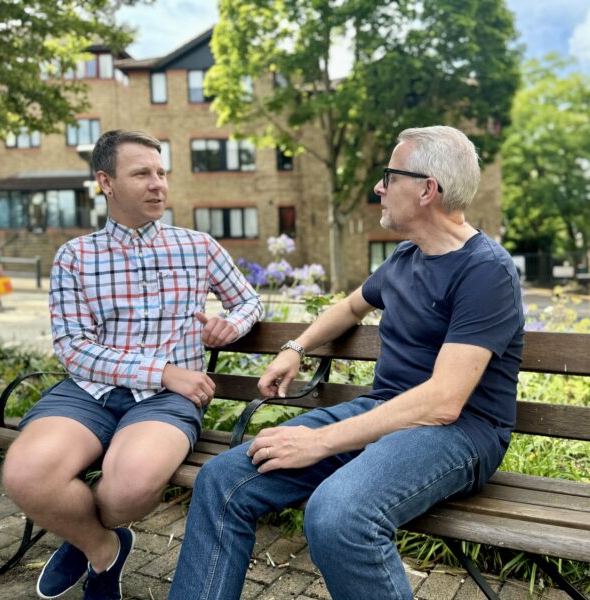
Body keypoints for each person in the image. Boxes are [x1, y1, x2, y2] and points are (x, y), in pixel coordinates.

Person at [168, 125, 525, 600]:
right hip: (384, 411)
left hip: (459, 433)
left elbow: (444, 402)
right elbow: (351, 306)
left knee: (338, 514)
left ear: (426, 190)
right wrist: (296, 348)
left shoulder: (486, 271)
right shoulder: (406, 257)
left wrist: (319, 441)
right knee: (223, 481)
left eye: (389, 175)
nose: (379, 187)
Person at [1, 129, 263, 600]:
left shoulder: (197, 247)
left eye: (161, 173)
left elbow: (249, 303)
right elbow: (73, 348)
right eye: (142, 173)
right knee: (24, 473)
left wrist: (230, 324)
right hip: (90, 392)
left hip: (168, 402)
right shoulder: (75, 257)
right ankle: (103, 549)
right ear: (106, 182)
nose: (158, 183)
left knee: (131, 486)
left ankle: (81, 537)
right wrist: (161, 370)